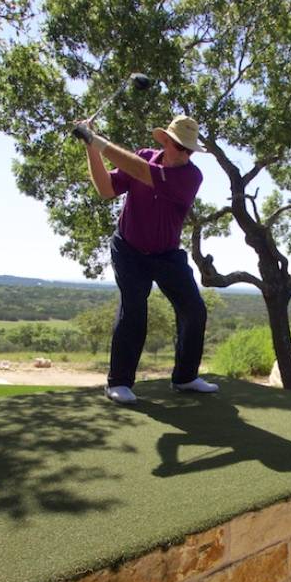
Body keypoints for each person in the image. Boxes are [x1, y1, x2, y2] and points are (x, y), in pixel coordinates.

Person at [73, 114, 219, 405]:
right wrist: (92, 149)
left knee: (194, 309)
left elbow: (144, 173)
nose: (186, 153)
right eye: (181, 146)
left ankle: (185, 377)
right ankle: (119, 383)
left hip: (166, 254)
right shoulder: (143, 157)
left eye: (190, 149)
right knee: (134, 309)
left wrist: (97, 140)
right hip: (128, 249)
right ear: (165, 140)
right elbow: (105, 189)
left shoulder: (191, 176)